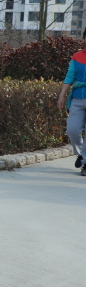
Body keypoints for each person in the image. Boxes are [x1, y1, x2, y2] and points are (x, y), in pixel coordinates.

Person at [57, 27, 86, 176]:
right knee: (72, 130)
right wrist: (62, 95)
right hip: (77, 98)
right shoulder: (77, 56)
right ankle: (81, 154)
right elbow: (70, 76)